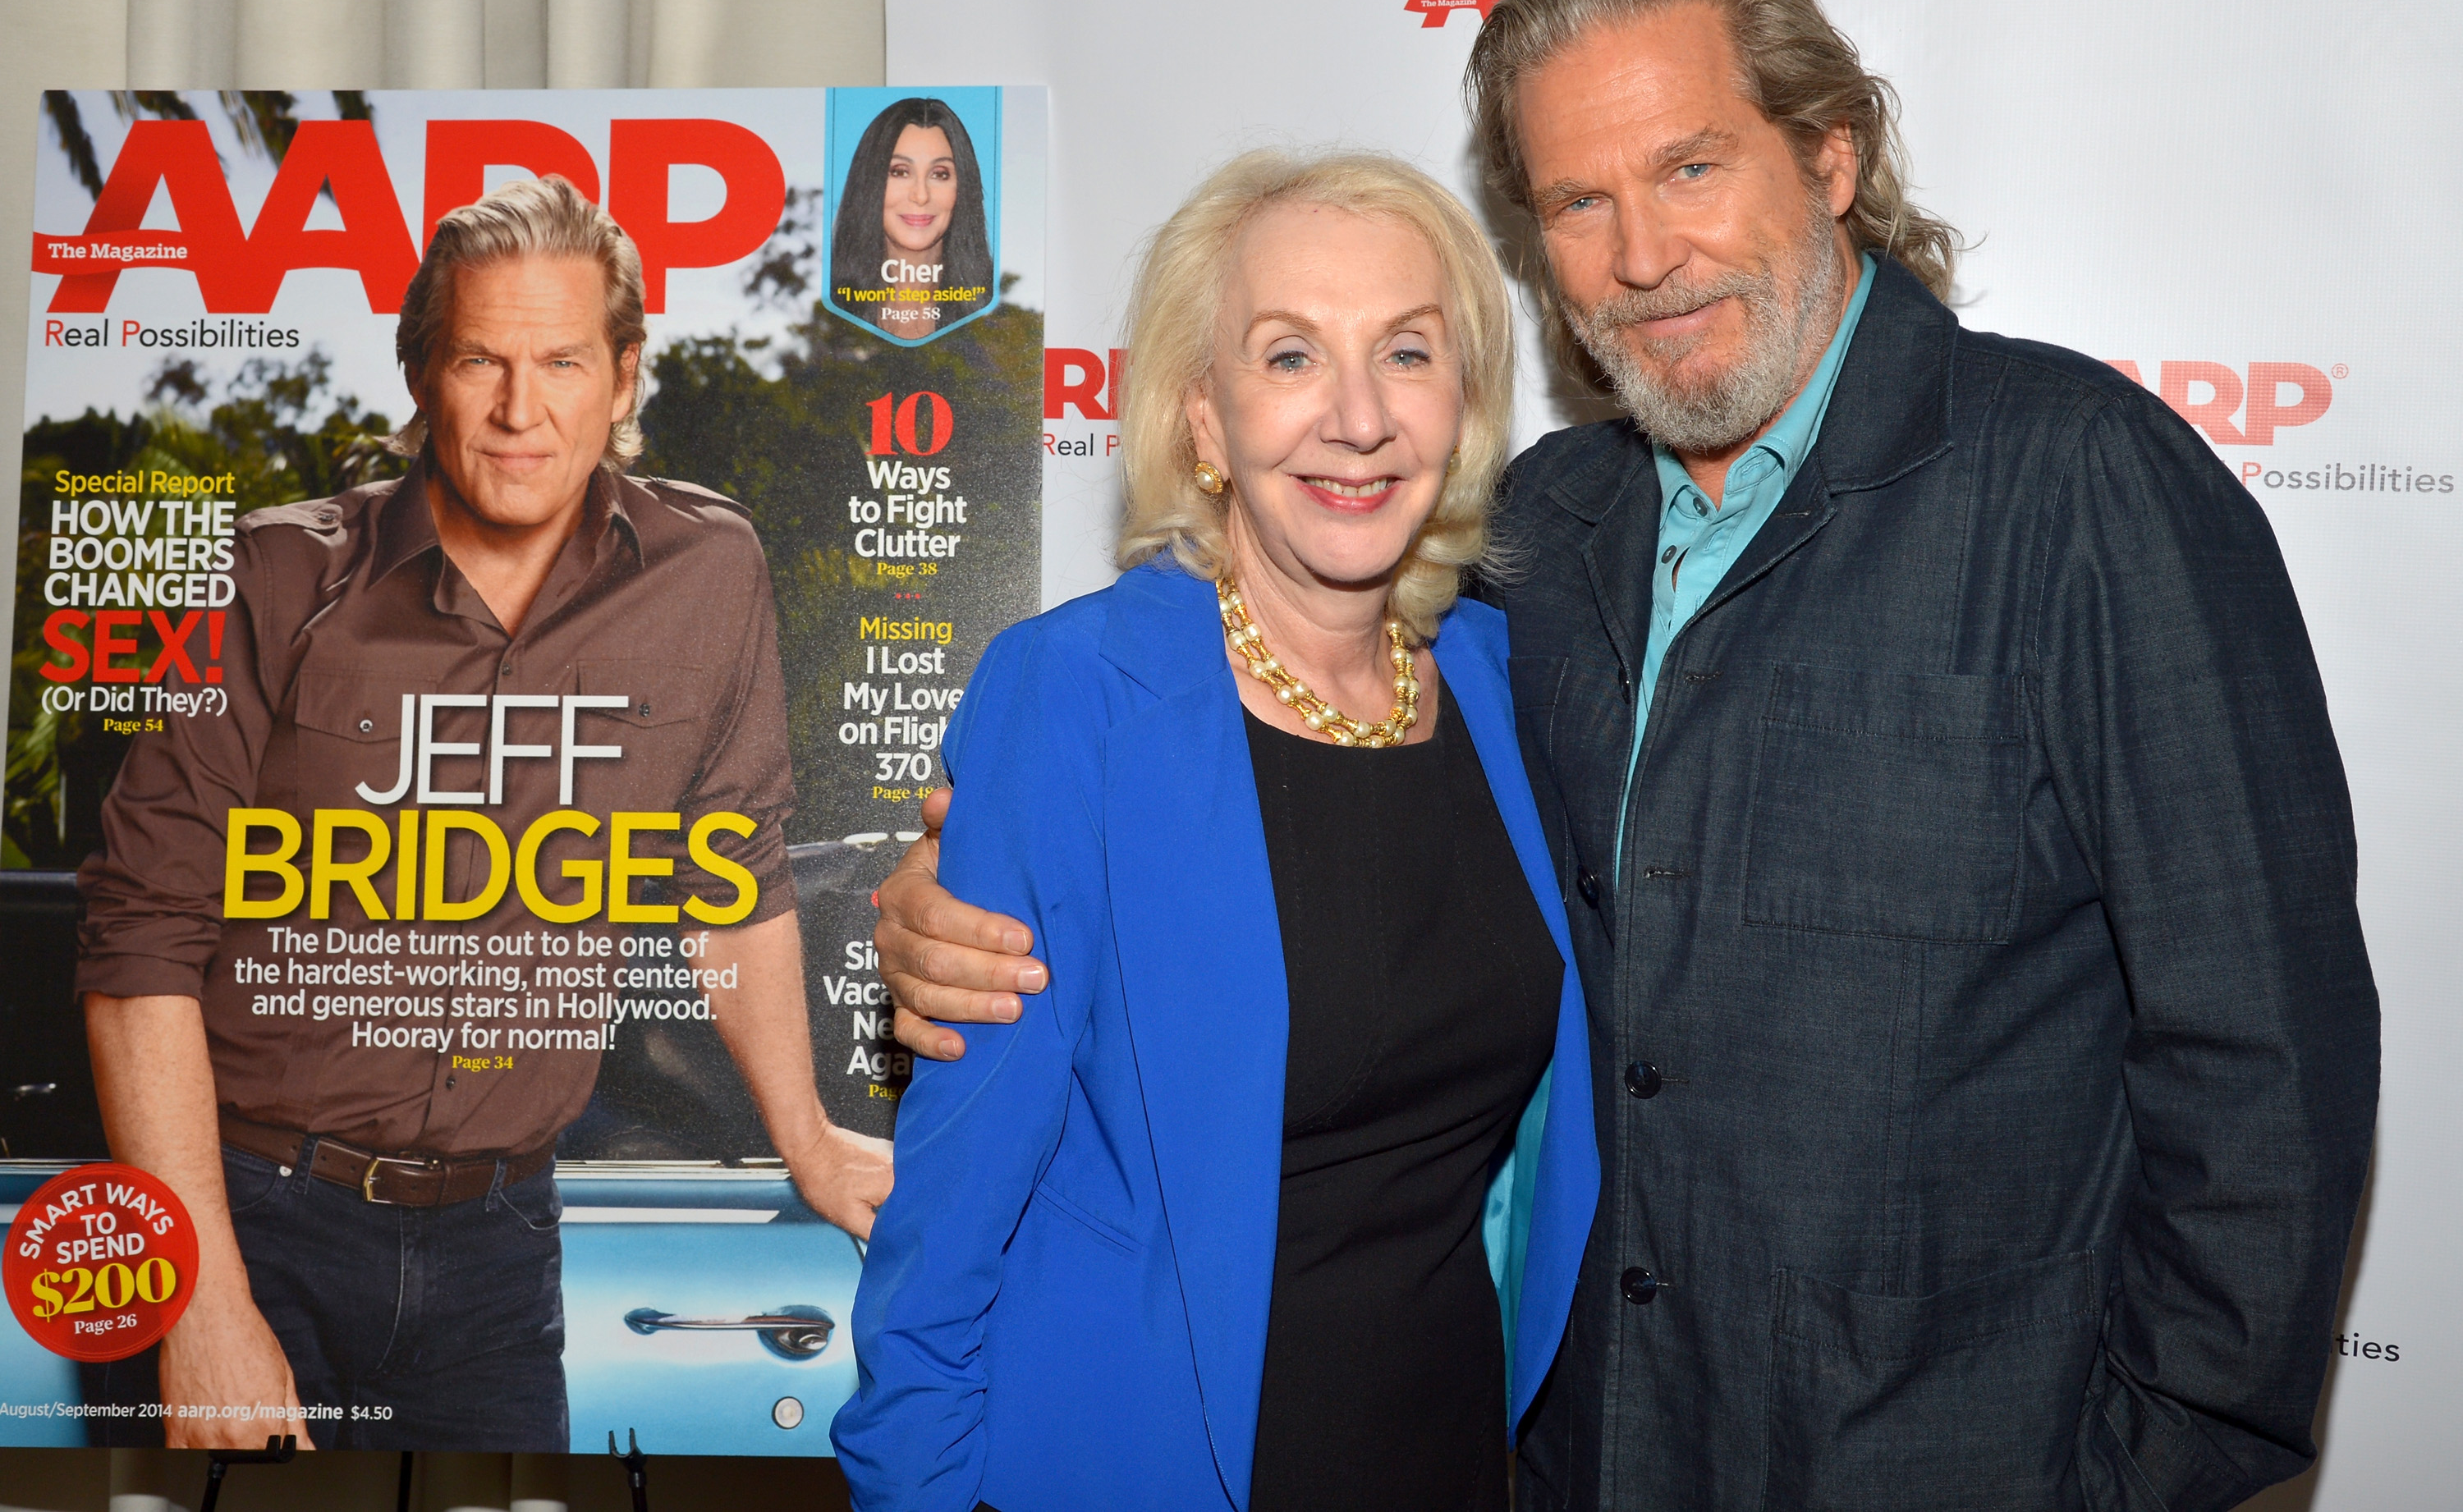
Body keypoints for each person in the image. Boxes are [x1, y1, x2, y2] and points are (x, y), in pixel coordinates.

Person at [868, 0, 2378, 1512]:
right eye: (1579, 201)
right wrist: (955, 904)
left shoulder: (2085, 490)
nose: (1642, 254)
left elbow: (2264, 1071)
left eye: (1690, 168)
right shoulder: (1544, 541)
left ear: (1832, 154)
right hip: (1570, 1456)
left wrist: (2137, 1479)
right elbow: (1261, 763)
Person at [831, 150, 1598, 1512]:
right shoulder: (1076, 696)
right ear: (1204, 416)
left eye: (1407, 352)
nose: (1357, 417)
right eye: (1291, 355)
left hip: (1444, 1459)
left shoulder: (1504, 679)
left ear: (1464, 403)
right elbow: (948, 1219)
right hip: (1136, 1470)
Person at [76, 175, 893, 1452]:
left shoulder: (710, 570)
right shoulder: (275, 573)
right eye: (481, 361)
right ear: (421, 374)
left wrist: (809, 1138)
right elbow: (139, 939)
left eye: (563, 361)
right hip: (255, 1212)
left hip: (500, 1250)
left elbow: (732, 881)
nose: (522, 410)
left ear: (624, 377)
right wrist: (199, 1301)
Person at [829, 95, 994, 341]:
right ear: (869, 182)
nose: (921, 196)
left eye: (940, 174)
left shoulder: (995, 312)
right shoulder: (826, 308)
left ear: (963, 188)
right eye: (900, 172)